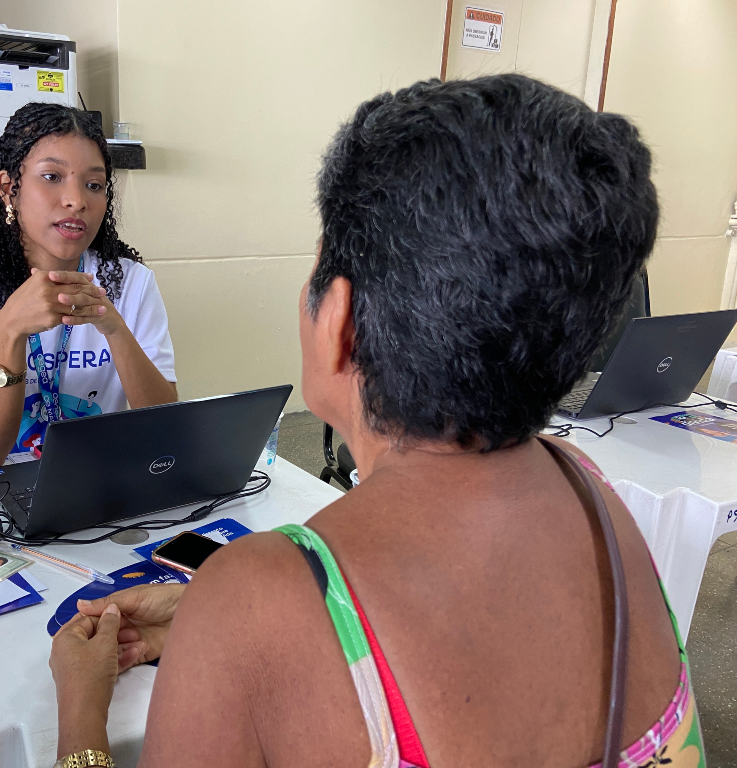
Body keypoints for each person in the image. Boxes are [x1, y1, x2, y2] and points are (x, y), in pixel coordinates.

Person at [48, 75, 706, 768]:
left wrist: (81, 709)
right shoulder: (596, 495)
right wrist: (214, 620)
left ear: (339, 324)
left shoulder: (250, 596)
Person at [0, 104, 177, 467]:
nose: (76, 200)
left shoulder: (130, 281)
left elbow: (165, 427)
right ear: (10, 189)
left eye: (94, 185)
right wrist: (9, 329)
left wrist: (114, 328)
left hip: (100, 469)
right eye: (52, 177)